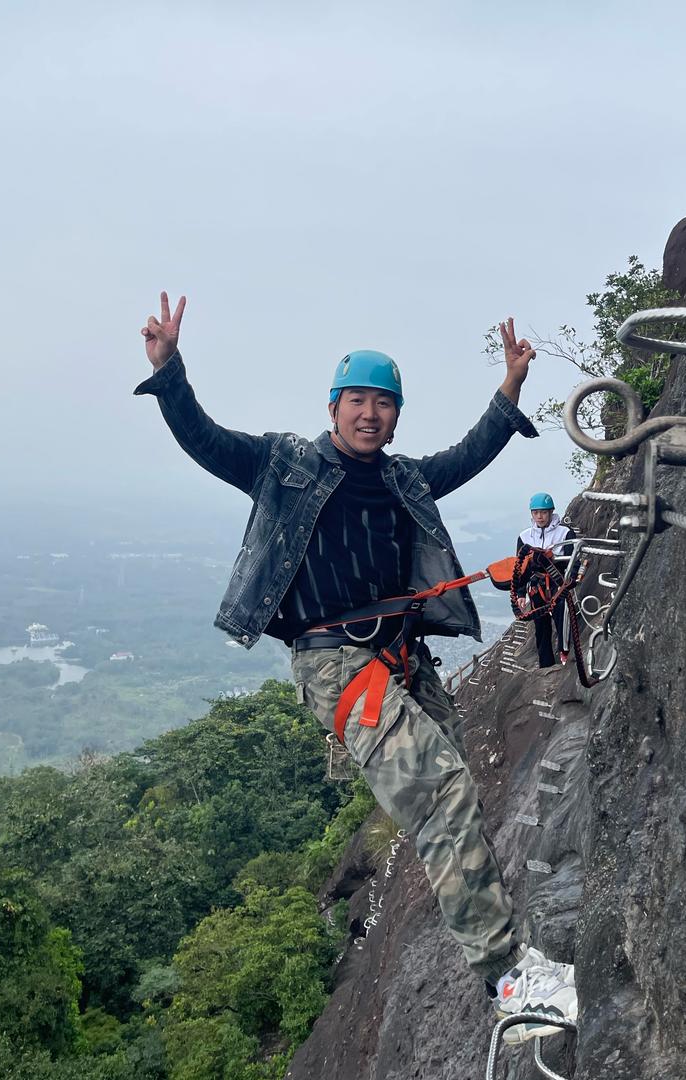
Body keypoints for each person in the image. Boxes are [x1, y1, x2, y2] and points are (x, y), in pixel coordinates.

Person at [134, 292, 577, 1042]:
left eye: (384, 404)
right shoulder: (286, 465)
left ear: (396, 415)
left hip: (400, 657)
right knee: (442, 793)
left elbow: (465, 457)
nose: (370, 414)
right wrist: (170, 370)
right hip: (336, 665)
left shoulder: (402, 479)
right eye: (358, 401)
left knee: (456, 782)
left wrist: (510, 389)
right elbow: (207, 442)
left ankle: (489, 939)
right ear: (334, 407)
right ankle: (508, 981)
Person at [518, 493, 578, 668]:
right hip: (537, 585)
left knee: (562, 617)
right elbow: (520, 568)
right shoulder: (525, 537)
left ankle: (564, 652)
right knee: (541, 626)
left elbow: (574, 560)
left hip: (557, 582)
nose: (539, 516)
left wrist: (570, 580)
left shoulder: (565, 533)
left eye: (543, 512)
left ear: (551, 512)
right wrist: (520, 593)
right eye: (536, 512)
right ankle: (545, 663)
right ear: (531, 513)